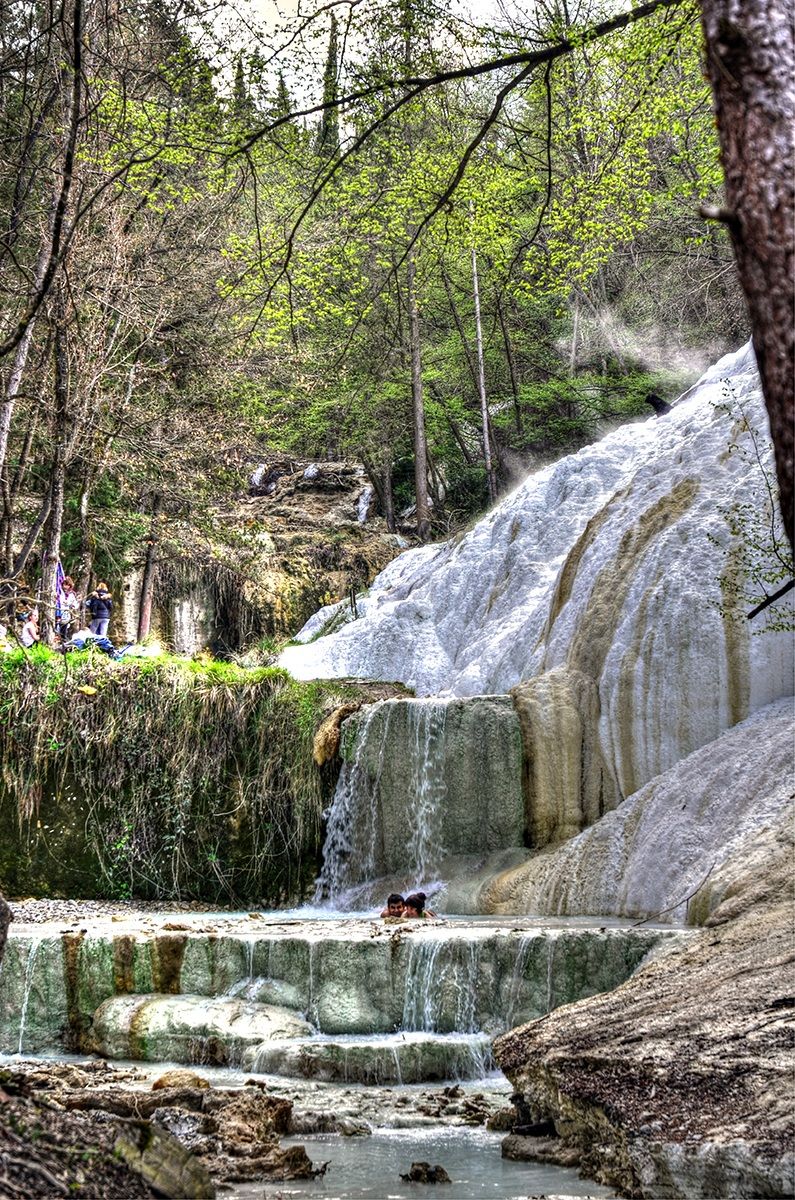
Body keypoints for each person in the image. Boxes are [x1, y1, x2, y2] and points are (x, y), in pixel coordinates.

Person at [58, 575, 80, 639]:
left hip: (66, 616)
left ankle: (62, 642)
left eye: (68, 585)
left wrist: (70, 604)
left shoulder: (71, 594)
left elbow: (75, 605)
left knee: (63, 632)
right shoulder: (59, 592)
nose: (65, 587)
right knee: (56, 630)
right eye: (64, 584)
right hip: (58, 613)